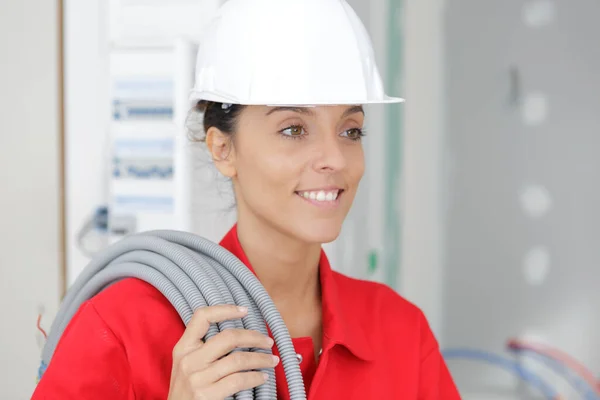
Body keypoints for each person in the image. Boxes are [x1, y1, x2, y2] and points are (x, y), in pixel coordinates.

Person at [32, 0, 461, 399]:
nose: (335, 158)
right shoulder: (124, 326)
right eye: (294, 129)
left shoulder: (399, 330)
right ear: (223, 150)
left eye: (350, 130)